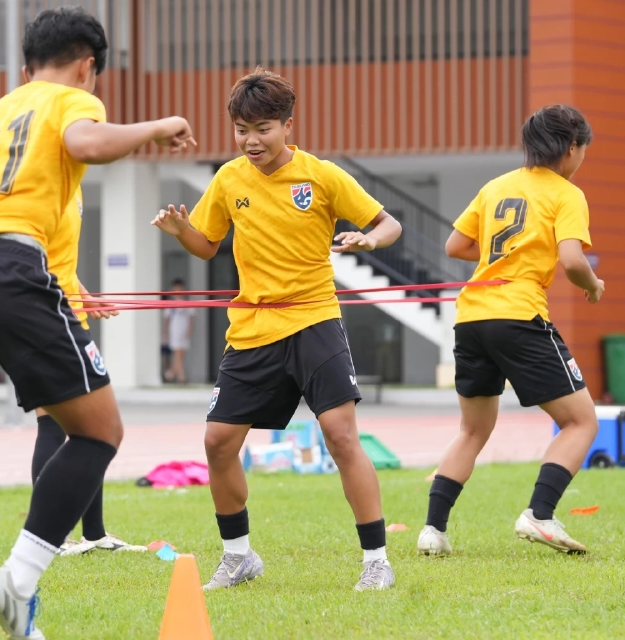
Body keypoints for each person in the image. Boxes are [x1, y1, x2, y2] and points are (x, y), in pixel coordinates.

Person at [0, 7, 195, 639]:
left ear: (26, 63)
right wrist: (161, 124)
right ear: (88, 65)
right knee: (98, 432)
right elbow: (87, 144)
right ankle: (17, 580)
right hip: (8, 268)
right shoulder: (66, 101)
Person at [152, 67, 403, 591]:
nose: (251, 140)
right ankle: (239, 556)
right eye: (242, 128)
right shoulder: (227, 180)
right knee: (218, 442)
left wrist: (368, 241)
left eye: (263, 127)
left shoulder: (322, 176)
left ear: (289, 125)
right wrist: (181, 231)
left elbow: (389, 223)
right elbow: (206, 243)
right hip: (253, 328)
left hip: (314, 320)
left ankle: (376, 560)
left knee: (340, 435)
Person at [417, 105, 601, 556]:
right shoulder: (566, 193)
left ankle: (432, 531)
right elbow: (574, 260)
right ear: (572, 148)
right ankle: (539, 515)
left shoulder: (496, 185)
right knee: (581, 421)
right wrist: (593, 286)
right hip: (518, 314)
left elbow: (455, 245)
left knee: (473, 430)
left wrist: (502, 256)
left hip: (472, 316)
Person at [34, 188, 147, 557]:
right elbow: (30, 256)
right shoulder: (41, 179)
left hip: (70, 315)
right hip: (45, 317)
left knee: (92, 427)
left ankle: (94, 534)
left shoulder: (74, 182)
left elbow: (59, 260)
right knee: (52, 423)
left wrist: (84, 294)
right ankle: (52, 538)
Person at [162, 278, 195, 384]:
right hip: (174, 330)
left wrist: (189, 330)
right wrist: (165, 333)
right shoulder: (170, 304)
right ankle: (181, 377)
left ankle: (170, 374)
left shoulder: (187, 303)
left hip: (184, 330)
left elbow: (191, 318)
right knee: (177, 353)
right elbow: (167, 319)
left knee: (182, 354)